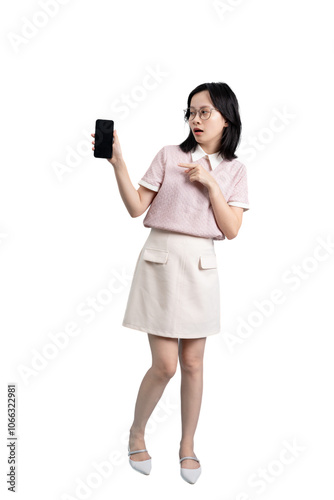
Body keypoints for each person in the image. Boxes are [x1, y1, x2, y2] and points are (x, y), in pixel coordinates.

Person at [91, 82, 250, 484]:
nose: (195, 119)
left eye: (205, 112)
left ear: (226, 118)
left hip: (200, 266)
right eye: (191, 112)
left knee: (194, 364)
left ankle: (187, 447)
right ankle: (136, 432)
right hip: (159, 262)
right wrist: (118, 163)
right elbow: (135, 208)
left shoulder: (236, 170)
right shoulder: (169, 155)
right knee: (165, 366)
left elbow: (231, 230)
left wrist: (210, 183)